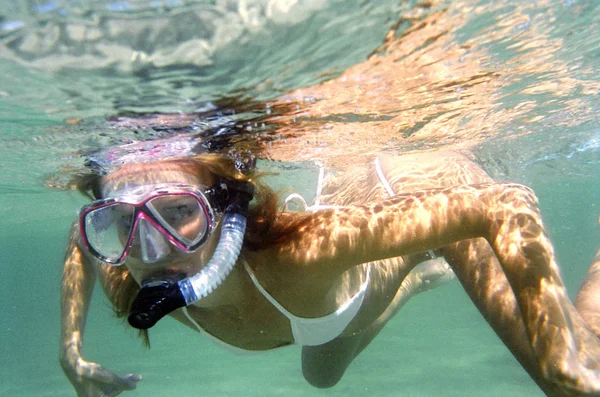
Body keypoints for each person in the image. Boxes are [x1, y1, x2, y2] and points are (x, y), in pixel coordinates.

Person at [59, 144, 600, 397]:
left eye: (179, 213)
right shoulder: (129, 270)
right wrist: (72, 353)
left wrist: (555, 355)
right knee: (320, 377)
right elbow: (79, 242)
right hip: (333, 308)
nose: (151, 249)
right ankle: (411, 283)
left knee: (580, 373)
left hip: (428, 186)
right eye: (123, 221)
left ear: (225, 214)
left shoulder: (302, 254)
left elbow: (506, 203)